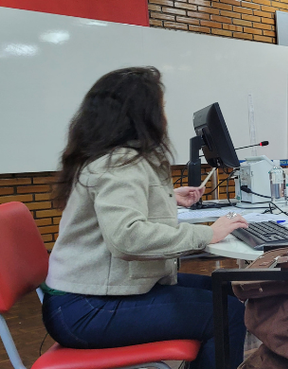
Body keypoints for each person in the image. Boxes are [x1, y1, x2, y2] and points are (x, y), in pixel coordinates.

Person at [42, 67, 249, 369]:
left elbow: (117, 209)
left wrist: (165, 197)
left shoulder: (112, 157)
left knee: (223, 288)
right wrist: (208, 234)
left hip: (90, 297)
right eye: (161, 108)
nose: (164, 116)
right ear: (142, 115)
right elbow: (127, 238)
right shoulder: (118, 163)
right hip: (86, 309)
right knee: (228, 314)